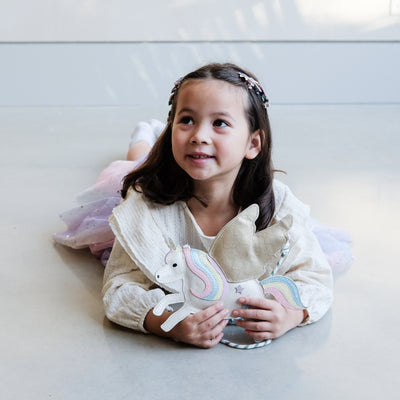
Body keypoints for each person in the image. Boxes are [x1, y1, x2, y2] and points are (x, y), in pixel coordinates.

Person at [97, 62, 338, 349]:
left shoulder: (278, 205)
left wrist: (292, 314)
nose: (199, 135)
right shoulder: (146, 203)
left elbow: (315, 279)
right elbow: (119, 289)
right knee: (135, 161)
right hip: (162, 176)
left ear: (253, 144)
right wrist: (166, 324)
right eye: (186, 120)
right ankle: (145, 135)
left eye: (219, 123)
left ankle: (149, 135)